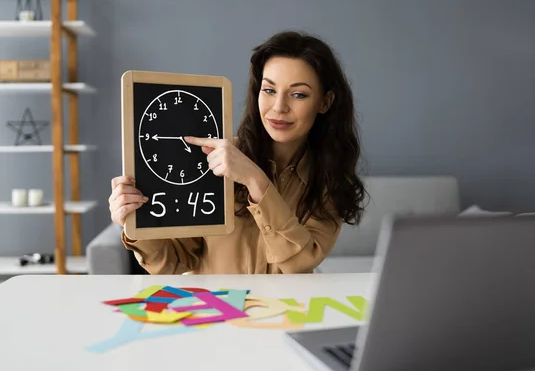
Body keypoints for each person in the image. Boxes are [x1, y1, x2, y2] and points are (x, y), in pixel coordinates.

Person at [108, 30, 366, 274]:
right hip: (215, 314)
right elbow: (173, 262)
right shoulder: (212, 159)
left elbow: (299, 262)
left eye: (298, 94)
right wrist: (135, 221)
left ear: (325, 102)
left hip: (283, 316)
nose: (279, 107)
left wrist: (255, 180)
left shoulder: (331, 180)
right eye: (269, 90)